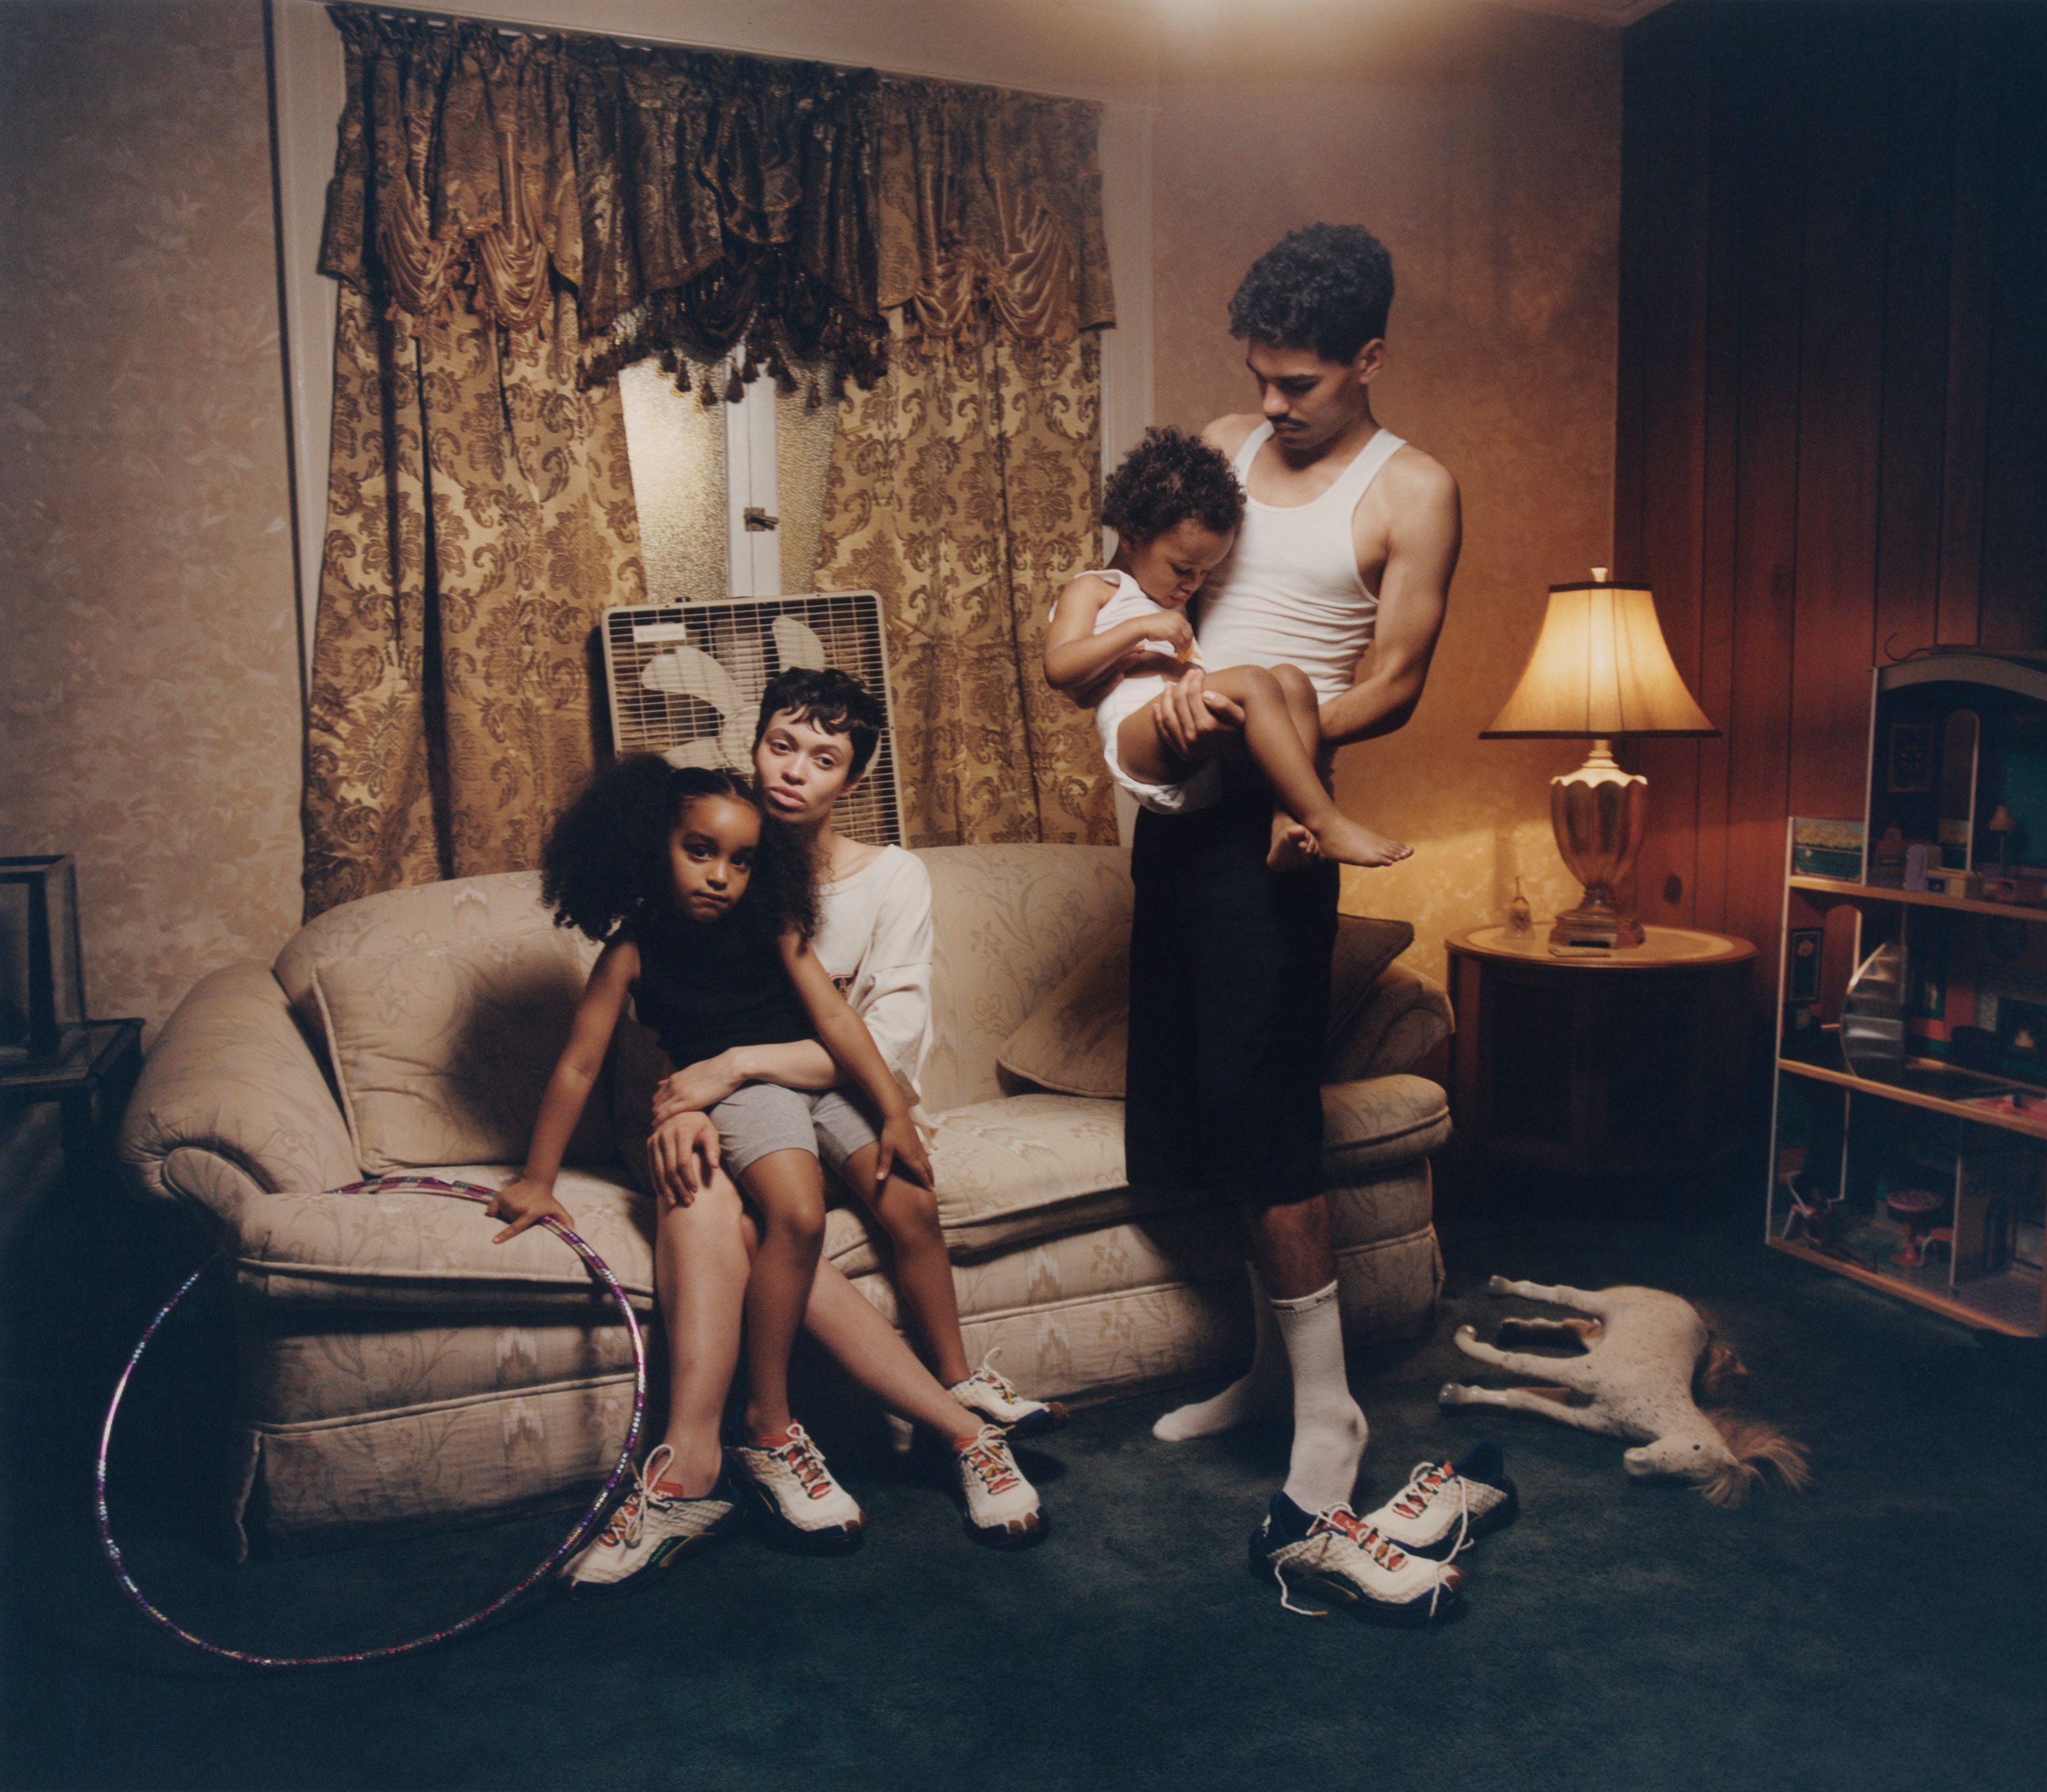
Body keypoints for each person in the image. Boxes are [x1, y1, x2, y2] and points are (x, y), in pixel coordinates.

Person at [1125, 224, 1481, 1623]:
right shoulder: (1226, 440)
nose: (1268, 406)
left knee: (1266, 1112)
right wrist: (1160, 690)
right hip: (1171, 811)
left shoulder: (1414, 488)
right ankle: (1271, 1374)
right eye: (1259, 379)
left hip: (1278, 822)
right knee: (1205, 1102)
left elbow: (1394, 678)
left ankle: (1328, 1414)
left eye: (1299, 384)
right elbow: (1156, 587)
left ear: (1369, 356)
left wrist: (1272, 734)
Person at [491, 755, 1040, 1594]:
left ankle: (956, 1415)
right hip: (737, 1102)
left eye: (741, 860)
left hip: (809, 1084)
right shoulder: (631, 951)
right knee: (795, 1214)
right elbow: (578, 1065)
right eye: (699, 851)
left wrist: (894, 1111)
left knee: (904, 1195)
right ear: (650, 845)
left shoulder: (774, 925)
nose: (721, 875)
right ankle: (771, 1423)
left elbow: (837, 1022)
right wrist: (538, 1178)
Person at [647, 668, 1070, 1447]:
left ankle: (957, 1381)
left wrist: (739, 1063)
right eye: (780, 746)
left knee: (907, 1194)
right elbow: (678, 996)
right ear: (754, 745)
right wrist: (691, 1095)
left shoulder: (890, 876)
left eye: (823, 759)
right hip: (753, 1112)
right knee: (773, 1206)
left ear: (853, 780)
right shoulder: (725, 862)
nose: (793, 771)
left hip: (836, 1090)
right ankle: (772, 1421)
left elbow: (888, 1035)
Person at [1043, 426, 1411, 869]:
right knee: (1255, 680)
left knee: (1292, 680)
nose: (1191, 585)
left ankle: (1287, 818)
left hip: (1206, 762)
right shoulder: (1094, 588)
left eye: (1205, 573)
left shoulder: (1169, 597)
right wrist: (1138, 628)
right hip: (1136, 736)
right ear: (1132, 537)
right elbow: (1059, 667)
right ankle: (1326, 822)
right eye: (1183, 569)